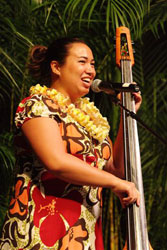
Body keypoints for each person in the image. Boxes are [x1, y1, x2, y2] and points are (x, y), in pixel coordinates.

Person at [0, 37, 141, 250]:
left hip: (83, 233)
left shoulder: (92, 118)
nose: (91, 71)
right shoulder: (37, 105)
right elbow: (56, 162)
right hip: (40, 229)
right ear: (56, 67)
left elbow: (114, 169)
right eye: (82, 62)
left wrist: (126, 115)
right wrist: (115, 184)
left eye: (92, 64)